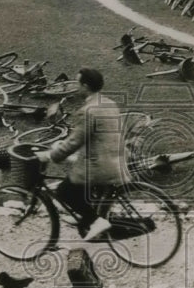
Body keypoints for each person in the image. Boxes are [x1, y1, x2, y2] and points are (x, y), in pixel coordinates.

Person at [36, 68, 127, 241]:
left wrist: (50, 155)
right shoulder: (108, 103)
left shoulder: (88, 111)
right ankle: (84, 216)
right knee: (80, 186)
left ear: (85, 86)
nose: (76, 87)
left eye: (77, 83)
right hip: (116, 160)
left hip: (100, 167)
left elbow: (74, 142)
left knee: (64, 191)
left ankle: (95, 221)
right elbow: (99, 137)